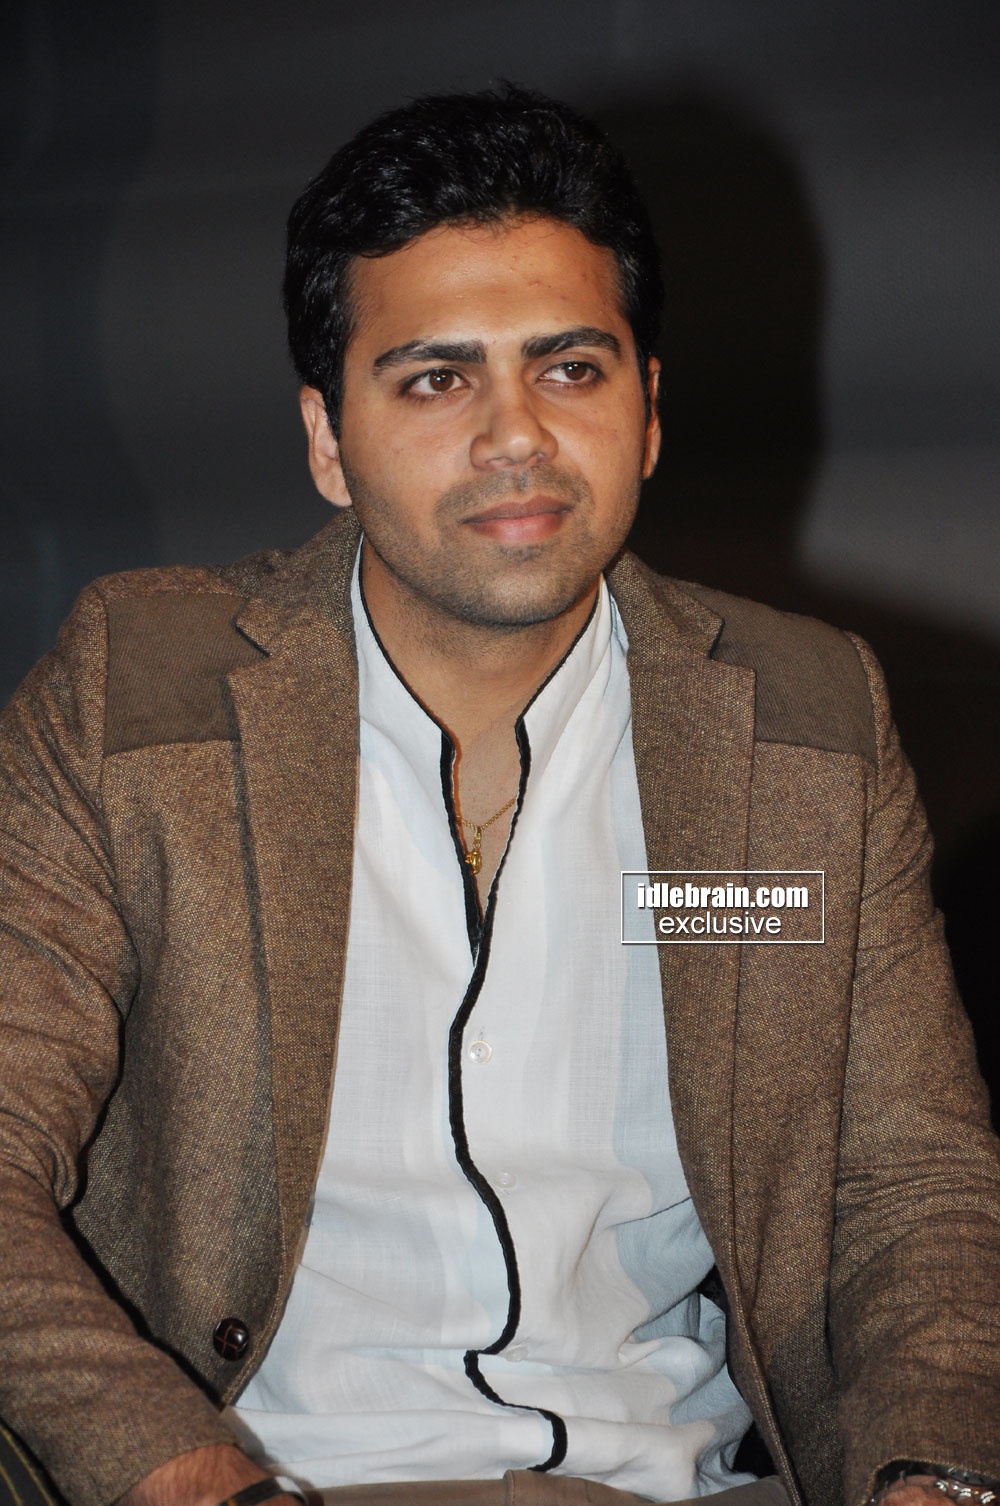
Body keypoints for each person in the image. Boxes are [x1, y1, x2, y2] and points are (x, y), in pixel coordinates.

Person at [0, 84, 997, 1506]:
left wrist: (931, 1482)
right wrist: (184, 1474)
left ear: (649, 412)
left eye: (570, 368)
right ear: (327, 439)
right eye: (435, 379)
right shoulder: (139, 695)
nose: (515, 434)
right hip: (278, 1474)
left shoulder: (804, 721)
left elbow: (914, 1186)